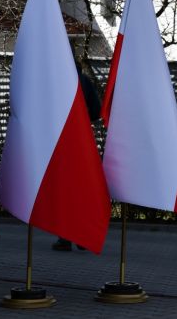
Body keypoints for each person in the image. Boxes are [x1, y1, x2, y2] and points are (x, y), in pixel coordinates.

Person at [52, 60, 102, 251]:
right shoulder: (85, 81)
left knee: (65, 190)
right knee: (82, 188)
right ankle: (83, 237)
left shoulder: (57, 83)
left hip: (61, 141)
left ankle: (65, 237)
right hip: (83, 141)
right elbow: (97, 111)